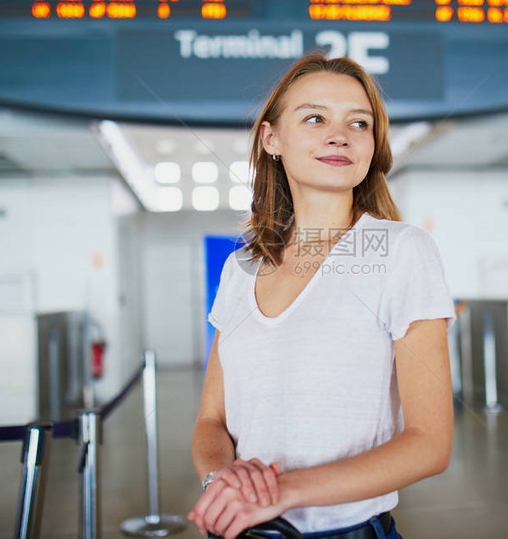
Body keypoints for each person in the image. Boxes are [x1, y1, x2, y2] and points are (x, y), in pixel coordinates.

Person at [188, 53, 456, 539]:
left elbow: (430, 443)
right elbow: (212, 419)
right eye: (315, 118)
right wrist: (219, 477)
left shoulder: (401, 251)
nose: (341, 135)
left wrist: (282, 492)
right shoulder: (241, 266)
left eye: (359, 123)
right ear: (271, 138)